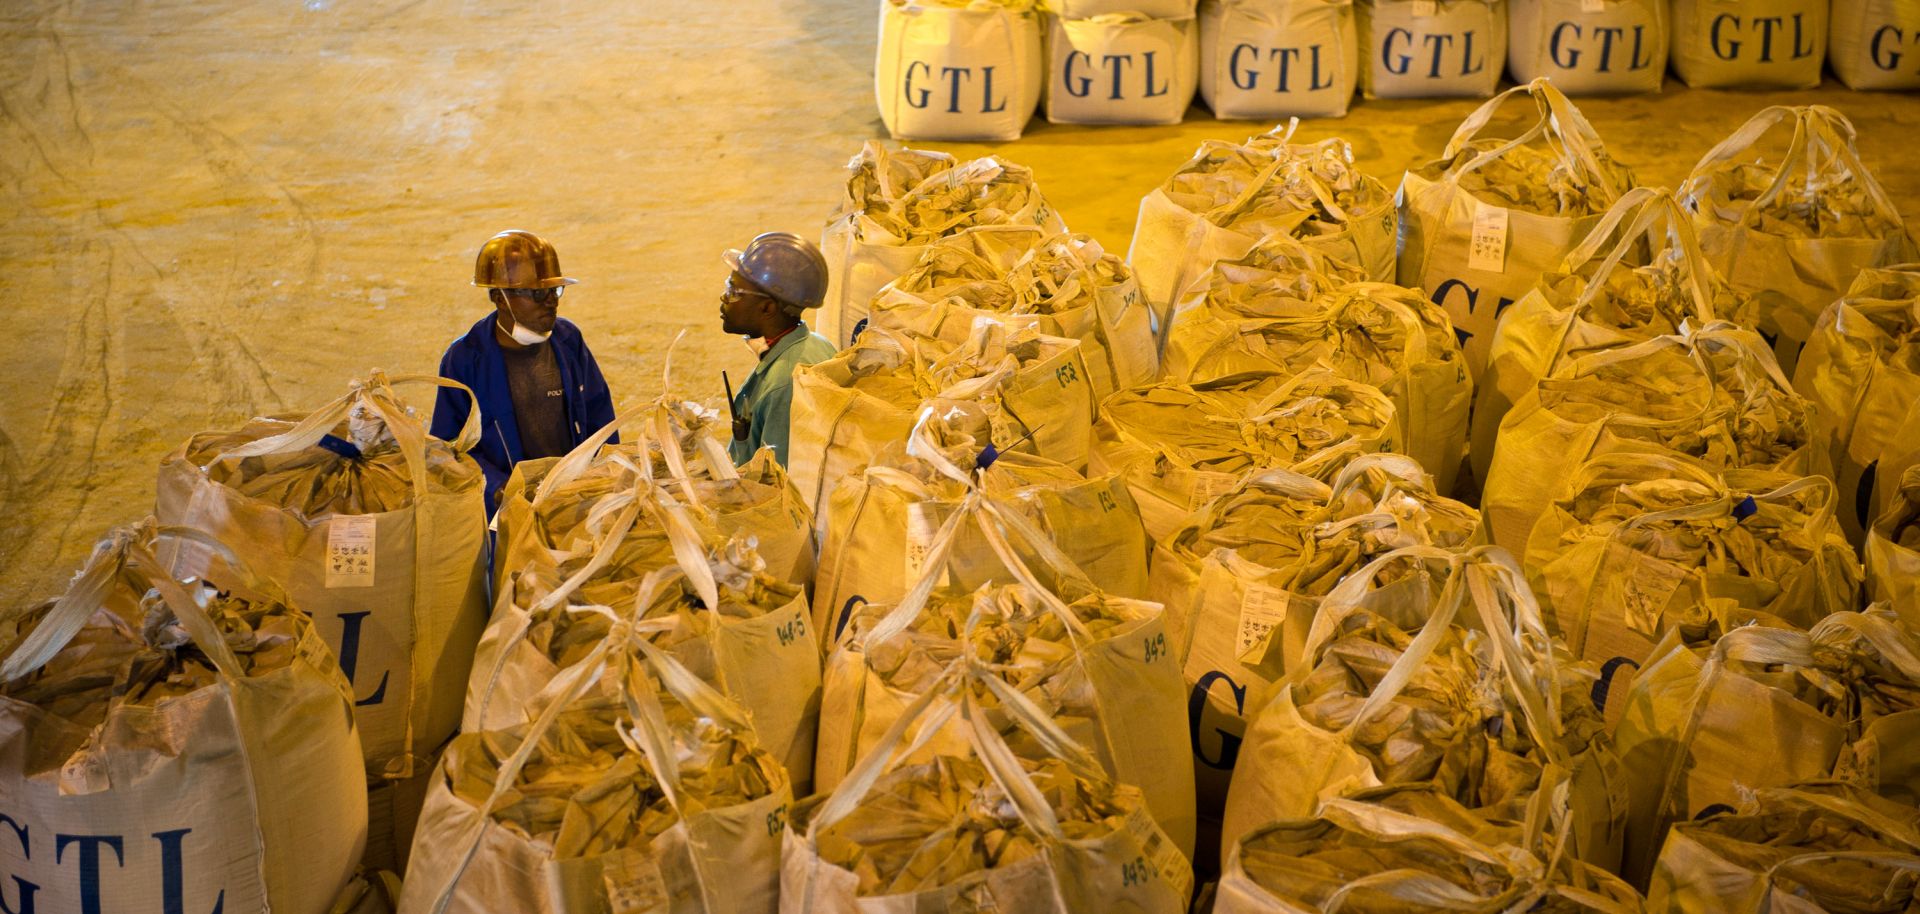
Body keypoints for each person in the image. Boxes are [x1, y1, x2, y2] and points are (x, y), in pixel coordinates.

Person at [431, 229, 616, 513]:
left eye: (555, 291)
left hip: (572, 494)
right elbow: (450, 448)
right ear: (500, 298)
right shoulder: (466, 359)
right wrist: (499, 489)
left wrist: (607, 473)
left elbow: (600, 418)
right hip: (508, 507)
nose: (551, 302)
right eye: (537, 293)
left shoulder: (568, 340)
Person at [719, 231, 836, 467]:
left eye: (734, 292)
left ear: (767, 308)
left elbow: (777, 485)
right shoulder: (818, 343)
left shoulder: (784, 386)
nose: (724, 297)